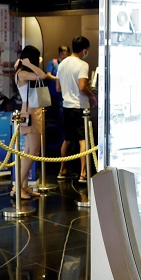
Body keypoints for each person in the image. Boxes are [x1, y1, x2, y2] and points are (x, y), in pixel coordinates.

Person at [14, 45, 55, 198]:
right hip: (30, 112)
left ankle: (23, 186)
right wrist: (29, 64)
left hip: (31, 110)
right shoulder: (22, 73)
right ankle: (17, 187)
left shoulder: (21, 72)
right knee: (33, 151)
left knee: (29, 151)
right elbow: (43, 75)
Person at [57, 36, 97, 181]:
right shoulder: (82, 65)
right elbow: (82, 87)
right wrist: (92, 96)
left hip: (66, 106)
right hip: (79, 107)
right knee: (83, 140)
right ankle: (83, 174)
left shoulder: (62, 64)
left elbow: (58, 87)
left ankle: (62, 170)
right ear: (85, 50)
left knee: (67, 139)